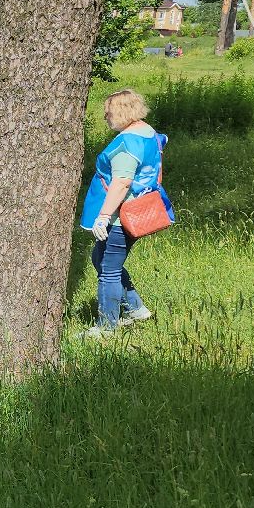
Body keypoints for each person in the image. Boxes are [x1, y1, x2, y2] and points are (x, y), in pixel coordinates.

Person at [80, 87, 164, 338]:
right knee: (100, 259)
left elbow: (122, 183)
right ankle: (136, 309)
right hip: (140, 208)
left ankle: (107, 327)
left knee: (108, 270)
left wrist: (104, 217)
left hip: (120, 217)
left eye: (108, 112)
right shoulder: (148, 133)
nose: (105, 116)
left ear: (121, 112)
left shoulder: (127, 144)